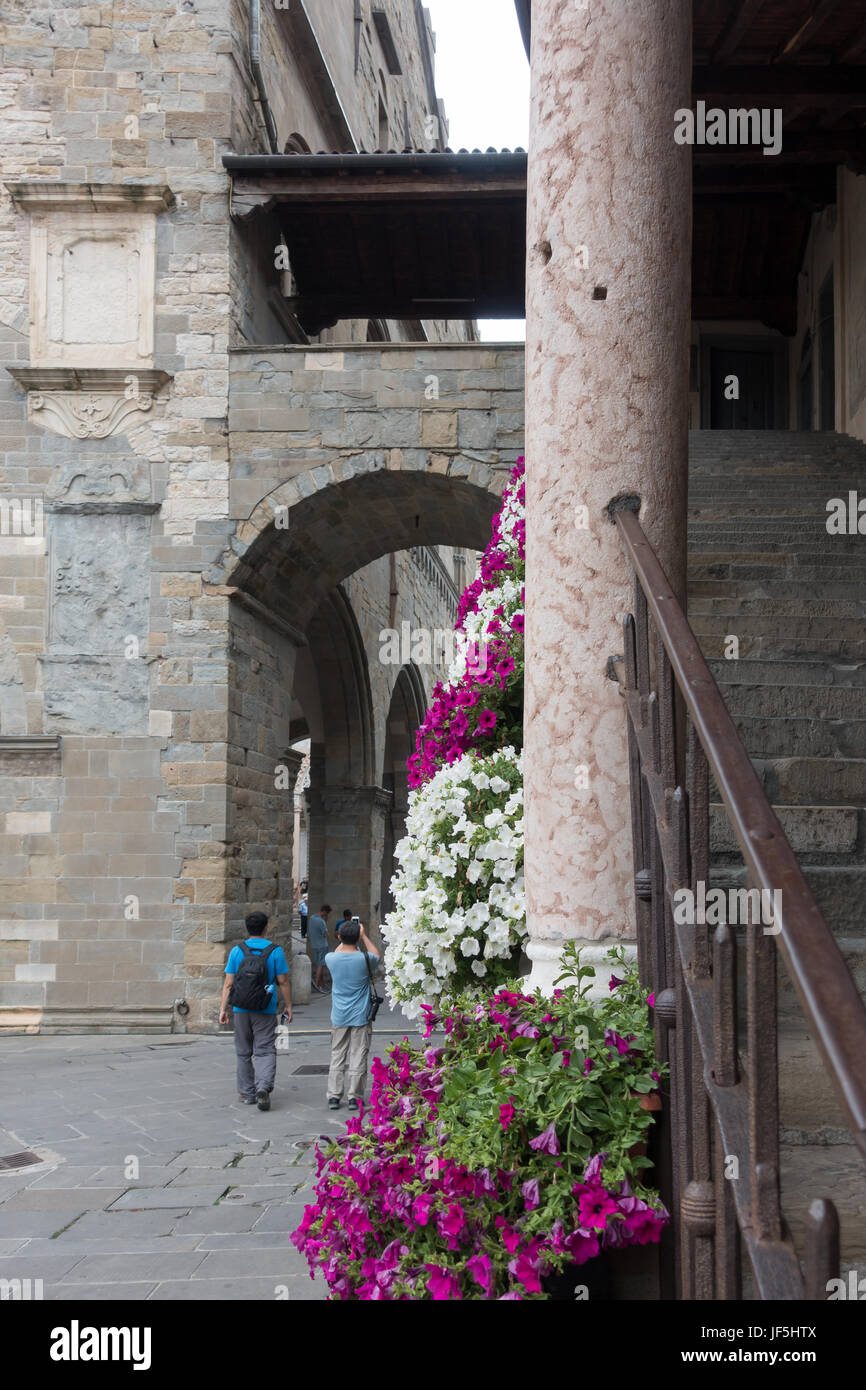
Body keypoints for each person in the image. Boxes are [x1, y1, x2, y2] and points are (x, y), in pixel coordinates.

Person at [219, 911, 292, 1111]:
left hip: (241, 1008)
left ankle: (247, 1093)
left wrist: (223, 1009)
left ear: (247, 928)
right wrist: (288, 1005)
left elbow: (228, 983)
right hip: (265, 1008)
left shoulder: (237, 951)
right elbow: (283, 981)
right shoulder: (275, 951)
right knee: (265, 1049)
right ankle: (263, 1087)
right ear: (266, 927)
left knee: (243, 1051)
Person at [325, 919, 379, 1111]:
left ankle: (334, 1095)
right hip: (360, 1015)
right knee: (358, 1054)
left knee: (337, 1054)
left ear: (339, 937)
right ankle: (354, 1097)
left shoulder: (331, 958)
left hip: (339, 1014)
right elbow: (376, 954)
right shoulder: (365, 959)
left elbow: (339, 950)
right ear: (357, 937)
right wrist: (363, 936)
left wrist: (346, 937)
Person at [307, 904, 331, 993]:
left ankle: (321, 984)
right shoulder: (321, 921)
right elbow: (326, 934)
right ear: (325, 912)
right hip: (322, 945)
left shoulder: (312, 918)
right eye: (327, 914)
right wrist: (325, 921)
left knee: (319, 964)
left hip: (314, 945)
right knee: (320, 965)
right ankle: (317, 985)